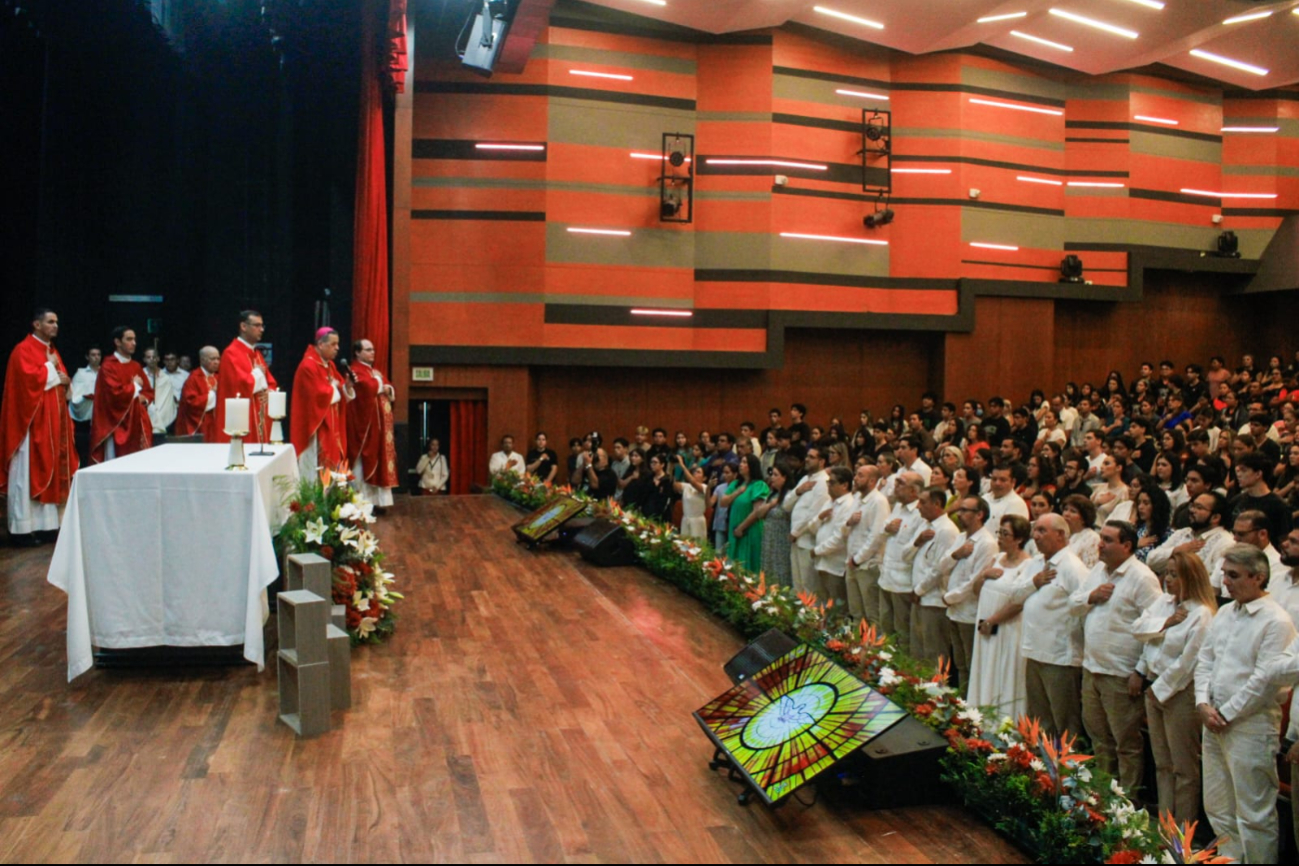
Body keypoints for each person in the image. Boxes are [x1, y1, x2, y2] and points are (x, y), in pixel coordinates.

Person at [1197, 544, 1296, 864]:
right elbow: (1205, 660)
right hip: (1213, 719)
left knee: (1254, 813)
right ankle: (1230, 860)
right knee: (1217, 804)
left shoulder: (1275, 621)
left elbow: (1264, 680)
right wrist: (1201, 702)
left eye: (1234, 575)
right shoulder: (1226, 612)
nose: (1225, 581)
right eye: (1224, 573)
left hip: (1250, 726)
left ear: (1259, 577)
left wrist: (1225, 712)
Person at [1070, 521, 1162, 799]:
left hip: (1121, 672)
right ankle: (1103, 793)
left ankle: (1126, 800)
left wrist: (1140, 671)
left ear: (1127, 546)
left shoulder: (1142, 578)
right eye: (1101, 539)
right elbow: (1073, 603)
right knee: (1099, 737)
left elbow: (1156, 629)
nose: (1100, 545)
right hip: (1092, 667)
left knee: (1125, 742)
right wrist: (1091, 595)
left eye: (1108, 540)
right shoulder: (1098, 570)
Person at [1132, 551, 1216, 825]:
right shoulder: (1165, 604)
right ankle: (1165, 823)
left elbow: (1190, 661)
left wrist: (1160, 689)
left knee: (1184, 767)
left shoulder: (1201, 614)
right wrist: (1165, 623)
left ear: (1190, 578)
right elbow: (1140, 630)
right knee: (1163, 763)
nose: (1167, 580)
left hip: (1180, 694)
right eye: (1166, 573)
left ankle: (1184, 829)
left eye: (1174, 575)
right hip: (1155, 687)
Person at [0, 308, 77, 546]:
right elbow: (25, 385)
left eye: (57, 322)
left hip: (53, 426)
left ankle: (47, 526)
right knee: (26, 475)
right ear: (36, 324)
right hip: (30, 427)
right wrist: (48, 368)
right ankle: (21, 530)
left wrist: (65, 382)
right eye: (50, 322)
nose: (55, 326)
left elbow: (60, 381)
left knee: (51, 472)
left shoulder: (52, 352)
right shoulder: (23, 350)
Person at [1010, 513, 1088, 738]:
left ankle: (1066, 768)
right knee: (1039, 720)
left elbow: (1084, 608)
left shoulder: (1073, 567)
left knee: (1065, 723)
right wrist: (1033, 583)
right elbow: (1014, 595)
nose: (1035, 535)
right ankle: (1040, 768)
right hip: (1034, 651)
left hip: (1060, 657)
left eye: (1042, 531)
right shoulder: (1035, 562)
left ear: (1061, 535)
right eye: (1035, 530)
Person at [967, 515, 1033, 718]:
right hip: (985, 626)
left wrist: (993, 620)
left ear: (1019, 539)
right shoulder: (996, 559)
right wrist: (984, 575)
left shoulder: (1027, 565)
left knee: (1003, 672)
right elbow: (976, 590)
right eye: (999, 532)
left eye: (1005, 534)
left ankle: (1003, 720)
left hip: (1008, 628)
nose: (1000, 538)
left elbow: (1019, 602)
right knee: (984, 667)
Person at [942, 496, 999, 697]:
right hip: (954, 609)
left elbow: (975, 582)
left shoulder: (987, 543)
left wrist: (950, 597)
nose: (959, 513)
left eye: (965, 510)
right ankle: (962, 702)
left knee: (970, 662)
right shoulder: (960, 537)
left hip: (970, 612)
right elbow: (942, 566)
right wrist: (956, 554)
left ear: (979, 515)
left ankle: (971, 705)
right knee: (959, 663)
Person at [289, 327, 354, 478]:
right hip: (315, 428)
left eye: (337, 344)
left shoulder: (329, 365)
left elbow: (339, 391)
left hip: (331, 426)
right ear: (320, 344)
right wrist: (333, 387)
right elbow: (319, 396)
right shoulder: (308, 366)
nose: (337, 348)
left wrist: (347, 387)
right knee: (315, 472)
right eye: (333, 344)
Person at [910, 486, 961, 665]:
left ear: (937, 503)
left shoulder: (947, 530)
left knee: (935, 653)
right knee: (918, 650)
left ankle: (935, 692)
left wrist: (919, 589)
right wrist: (917, 542)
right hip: (919, 596)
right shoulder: (925, 525)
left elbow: (940, 569)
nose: (917, 506)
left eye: (922, 502)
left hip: (934, 599)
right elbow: (905, 554)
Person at [346, 338, 398, 508]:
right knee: (364, 466)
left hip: (380, 430)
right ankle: (362, 504)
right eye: (368, 350)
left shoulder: (374, 371)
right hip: (366, 430)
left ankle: (378, 503)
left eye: (373, 350)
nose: (372, 353)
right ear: (357, 352)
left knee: (381, 461)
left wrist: (386, 387)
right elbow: (365, 388)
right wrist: (379, 384)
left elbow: (387, 386)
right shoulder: (355, 370)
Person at [878, 472, 926, 652]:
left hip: (903, 582)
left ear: (914, 491)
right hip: (886, 577)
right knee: (886, 628)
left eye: (900, 483)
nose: (895, 485)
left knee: (903, 632)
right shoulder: (897, 507)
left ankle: (901, 672)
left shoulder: (919, 513)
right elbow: (883, 529)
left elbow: (914, 548)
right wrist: (887, 528)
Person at [90, 326, 152, 463]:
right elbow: (113, 395)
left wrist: (144, 400)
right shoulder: (108, 366)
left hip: (137, 422)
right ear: (117, 342)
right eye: (129, 339)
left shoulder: (136, 366)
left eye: (134, 339)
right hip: (116, 423)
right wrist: (134, 386)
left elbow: (148, 391)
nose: (134, 343)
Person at [216, 310, 277, 444]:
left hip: (259, 416)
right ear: (243, 327)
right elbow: (240, 386)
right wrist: (257, 374)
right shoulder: (231, 353)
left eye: (262, 326)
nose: (261, 329)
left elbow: (271, 382)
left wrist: (269, 392)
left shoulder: (257, 354)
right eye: (257, 325)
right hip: (243, 419)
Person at [845, 464, 889, 624]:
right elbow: (846, 525)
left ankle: (871, 648)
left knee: (872, 615)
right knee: (856, 612)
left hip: (867, 565)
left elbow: (877, 536)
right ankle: (854, 647)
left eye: (860, 475)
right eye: (856, 474)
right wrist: (849, 522)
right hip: (851, 562)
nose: (855, 478)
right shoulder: (857, 498)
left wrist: (858, 559)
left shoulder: (879, 501)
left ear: (872, 481)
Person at [787, 446, 831, 594]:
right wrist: (798, 491)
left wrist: (795, 532)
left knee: (809, 586)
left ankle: (810, 617)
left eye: (812, 457)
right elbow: (786, 504)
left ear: (822, 461)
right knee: (797, 584)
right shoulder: (805, 479)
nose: (806, 459)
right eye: (807, 456)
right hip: (796, 540)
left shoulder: (824, 482)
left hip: (808, 541)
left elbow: (813, 513)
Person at [811, 466, 855, 606]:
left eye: (832, 482)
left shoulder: (849, 504)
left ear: (844, 485)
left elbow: (840, 538)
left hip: (836, 565)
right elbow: (812, 528)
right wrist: (820, 518)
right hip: (822, 563)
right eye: (828, 482)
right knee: (824, 605)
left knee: (837, 608)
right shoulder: (829, 502)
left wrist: (817, 551)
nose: (828, 486)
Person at [724, 454, 770, 574]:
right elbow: (723, 502)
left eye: (744, 462)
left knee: (747, 563)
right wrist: (738, 492)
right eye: (741, 462)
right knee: (733, 562)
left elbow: (757, 512)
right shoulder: (736, 484)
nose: (741, 465)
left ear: (752, 466)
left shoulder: (759, 485)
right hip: (734, 527)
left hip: (749, 529)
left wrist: (741, 527)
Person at [174, 346, 221, 440]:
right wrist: (213, 394)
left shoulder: (219, 377)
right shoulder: (193, 379)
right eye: (213, 359)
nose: (217, 362)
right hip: (202, 428)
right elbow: (191, 403)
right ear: (202, 360)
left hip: (217, 424)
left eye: (218, 358)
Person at [68, 346, 99, 466]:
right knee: (85, 452)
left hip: (101, 418)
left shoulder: (104, 372)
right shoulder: (81, 373)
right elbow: (74, 396)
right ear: (87, 357)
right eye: (93, 354)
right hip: (85, 421)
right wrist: (84, 397)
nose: (96, 357)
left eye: (98, 354)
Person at [674, 454, 709, 542]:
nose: (695, 474)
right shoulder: (686, 486)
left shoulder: (705, 487)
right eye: (694, 472)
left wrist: (682, 465)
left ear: (704, 478)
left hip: (697, 521)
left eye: (698, 472)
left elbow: (693, 482)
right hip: (686, 519)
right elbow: (674, 485)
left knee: (697, 548)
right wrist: (671, 468)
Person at [142, 347, 176, 436]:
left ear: (158, 359)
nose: (151, 359)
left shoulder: (165, 378)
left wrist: (159, 415)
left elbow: (167, 402)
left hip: (164, 417)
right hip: (146, 416)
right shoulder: (141, 375)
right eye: (148, 357)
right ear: (144, 359)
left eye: (154, 357)